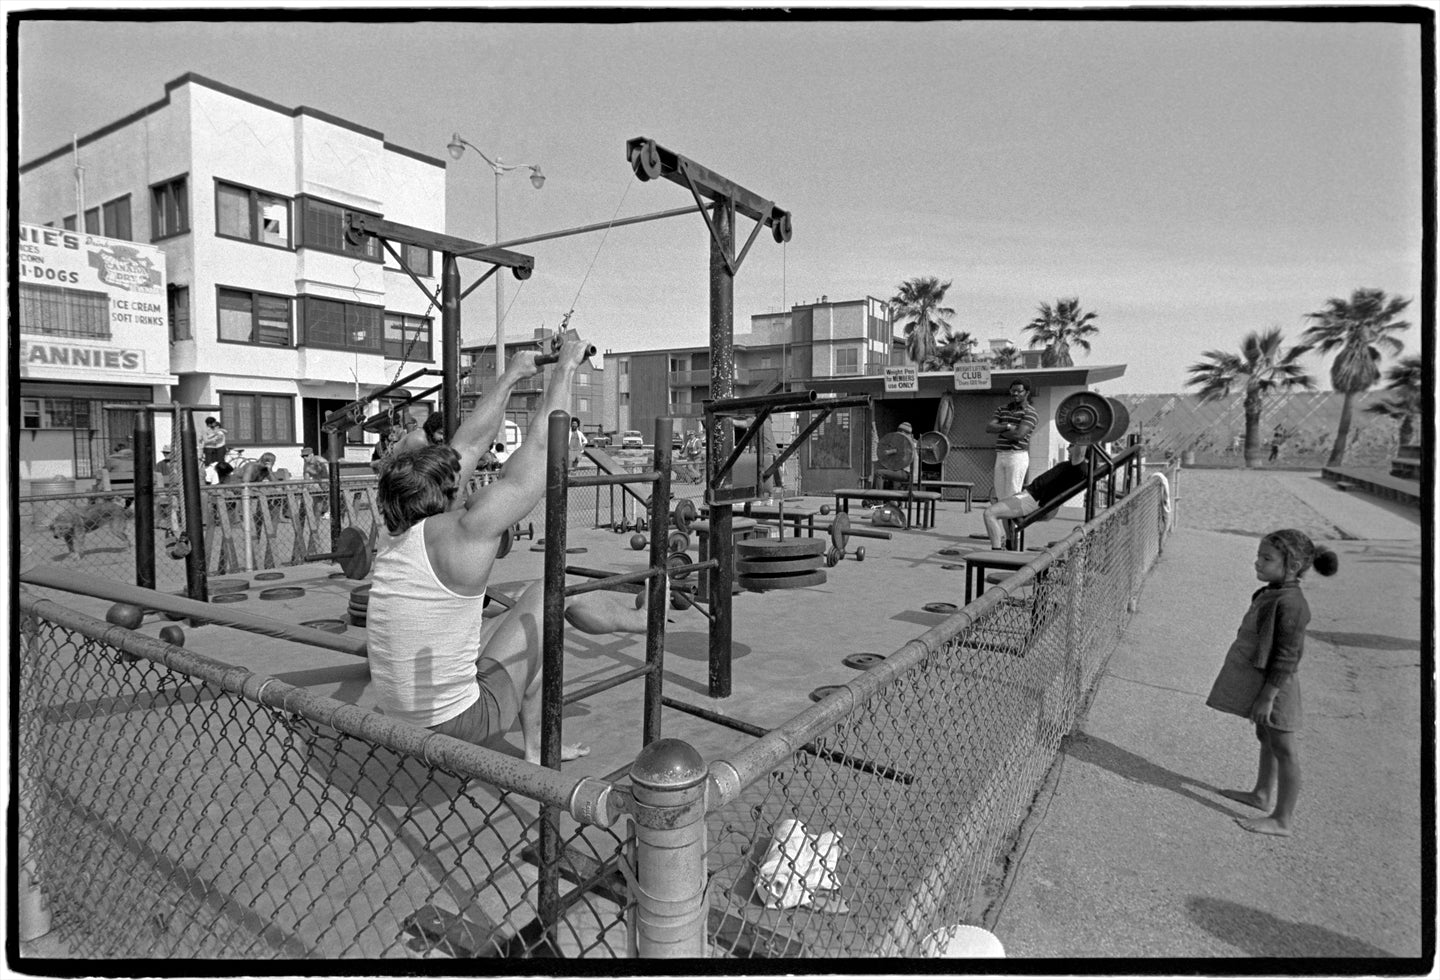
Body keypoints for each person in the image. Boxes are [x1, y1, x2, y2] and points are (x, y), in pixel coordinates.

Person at [366, 339, 655, 765]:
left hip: (401, 718)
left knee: (523, 627)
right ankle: (642, 621)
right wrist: (565, 370)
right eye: (458, 487)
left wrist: (514, 373)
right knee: (556, 586)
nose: (463, 485)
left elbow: (465, 446)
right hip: (460, 723)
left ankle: (537, 748)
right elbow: (540, 455)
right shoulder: (464, 531)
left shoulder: (392, 532)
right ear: (444, 497)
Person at [1205, 529, 1339, 837]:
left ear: (1292, 566)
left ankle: (1283, 819)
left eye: (1267, 558)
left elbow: (1286, 657)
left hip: (1278, 689)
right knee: (1266, 737)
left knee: (1284, 747)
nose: (1257, 563)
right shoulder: (1274, 591)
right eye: (1258, 556)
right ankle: (1262, 793)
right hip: (1267, 684)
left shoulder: (1292, 604)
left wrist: (1267, 697)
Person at [982, 441, 1090, 549]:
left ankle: (996, 552)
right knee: (1000, 502)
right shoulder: (1073, 466)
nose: (1067, 449)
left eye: (1071, 446)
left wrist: (1084, 431)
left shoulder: (1079, 468)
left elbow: (1079, 452)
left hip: (1032, 500)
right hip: (1028, 496)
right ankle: (1010, 545)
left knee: (989, 514)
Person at [985, 378, 1037, 500]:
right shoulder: (1002, 409)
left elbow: (1019, 435)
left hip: (1016, 456)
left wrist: (999, 430)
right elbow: (989, 427)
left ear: (1027, 392)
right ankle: (1004, 519)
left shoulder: (1030, 412)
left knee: (1013, 495)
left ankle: (1014, 519)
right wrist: (1008, 427)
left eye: (1019, 391)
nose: (1015, 394)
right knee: (1000, 495)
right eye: (1013, 391)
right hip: (1001, 455)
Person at [874, 421, 918, 491]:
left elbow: (903, 461)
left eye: (900, 431)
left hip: (908, 473)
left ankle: (876, 499)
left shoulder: (910, 444)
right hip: (904, 471)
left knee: (879, 473)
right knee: (886, 473)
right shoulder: (908, 442)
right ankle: (888, 500)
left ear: (903, 432)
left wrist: (892, 453)